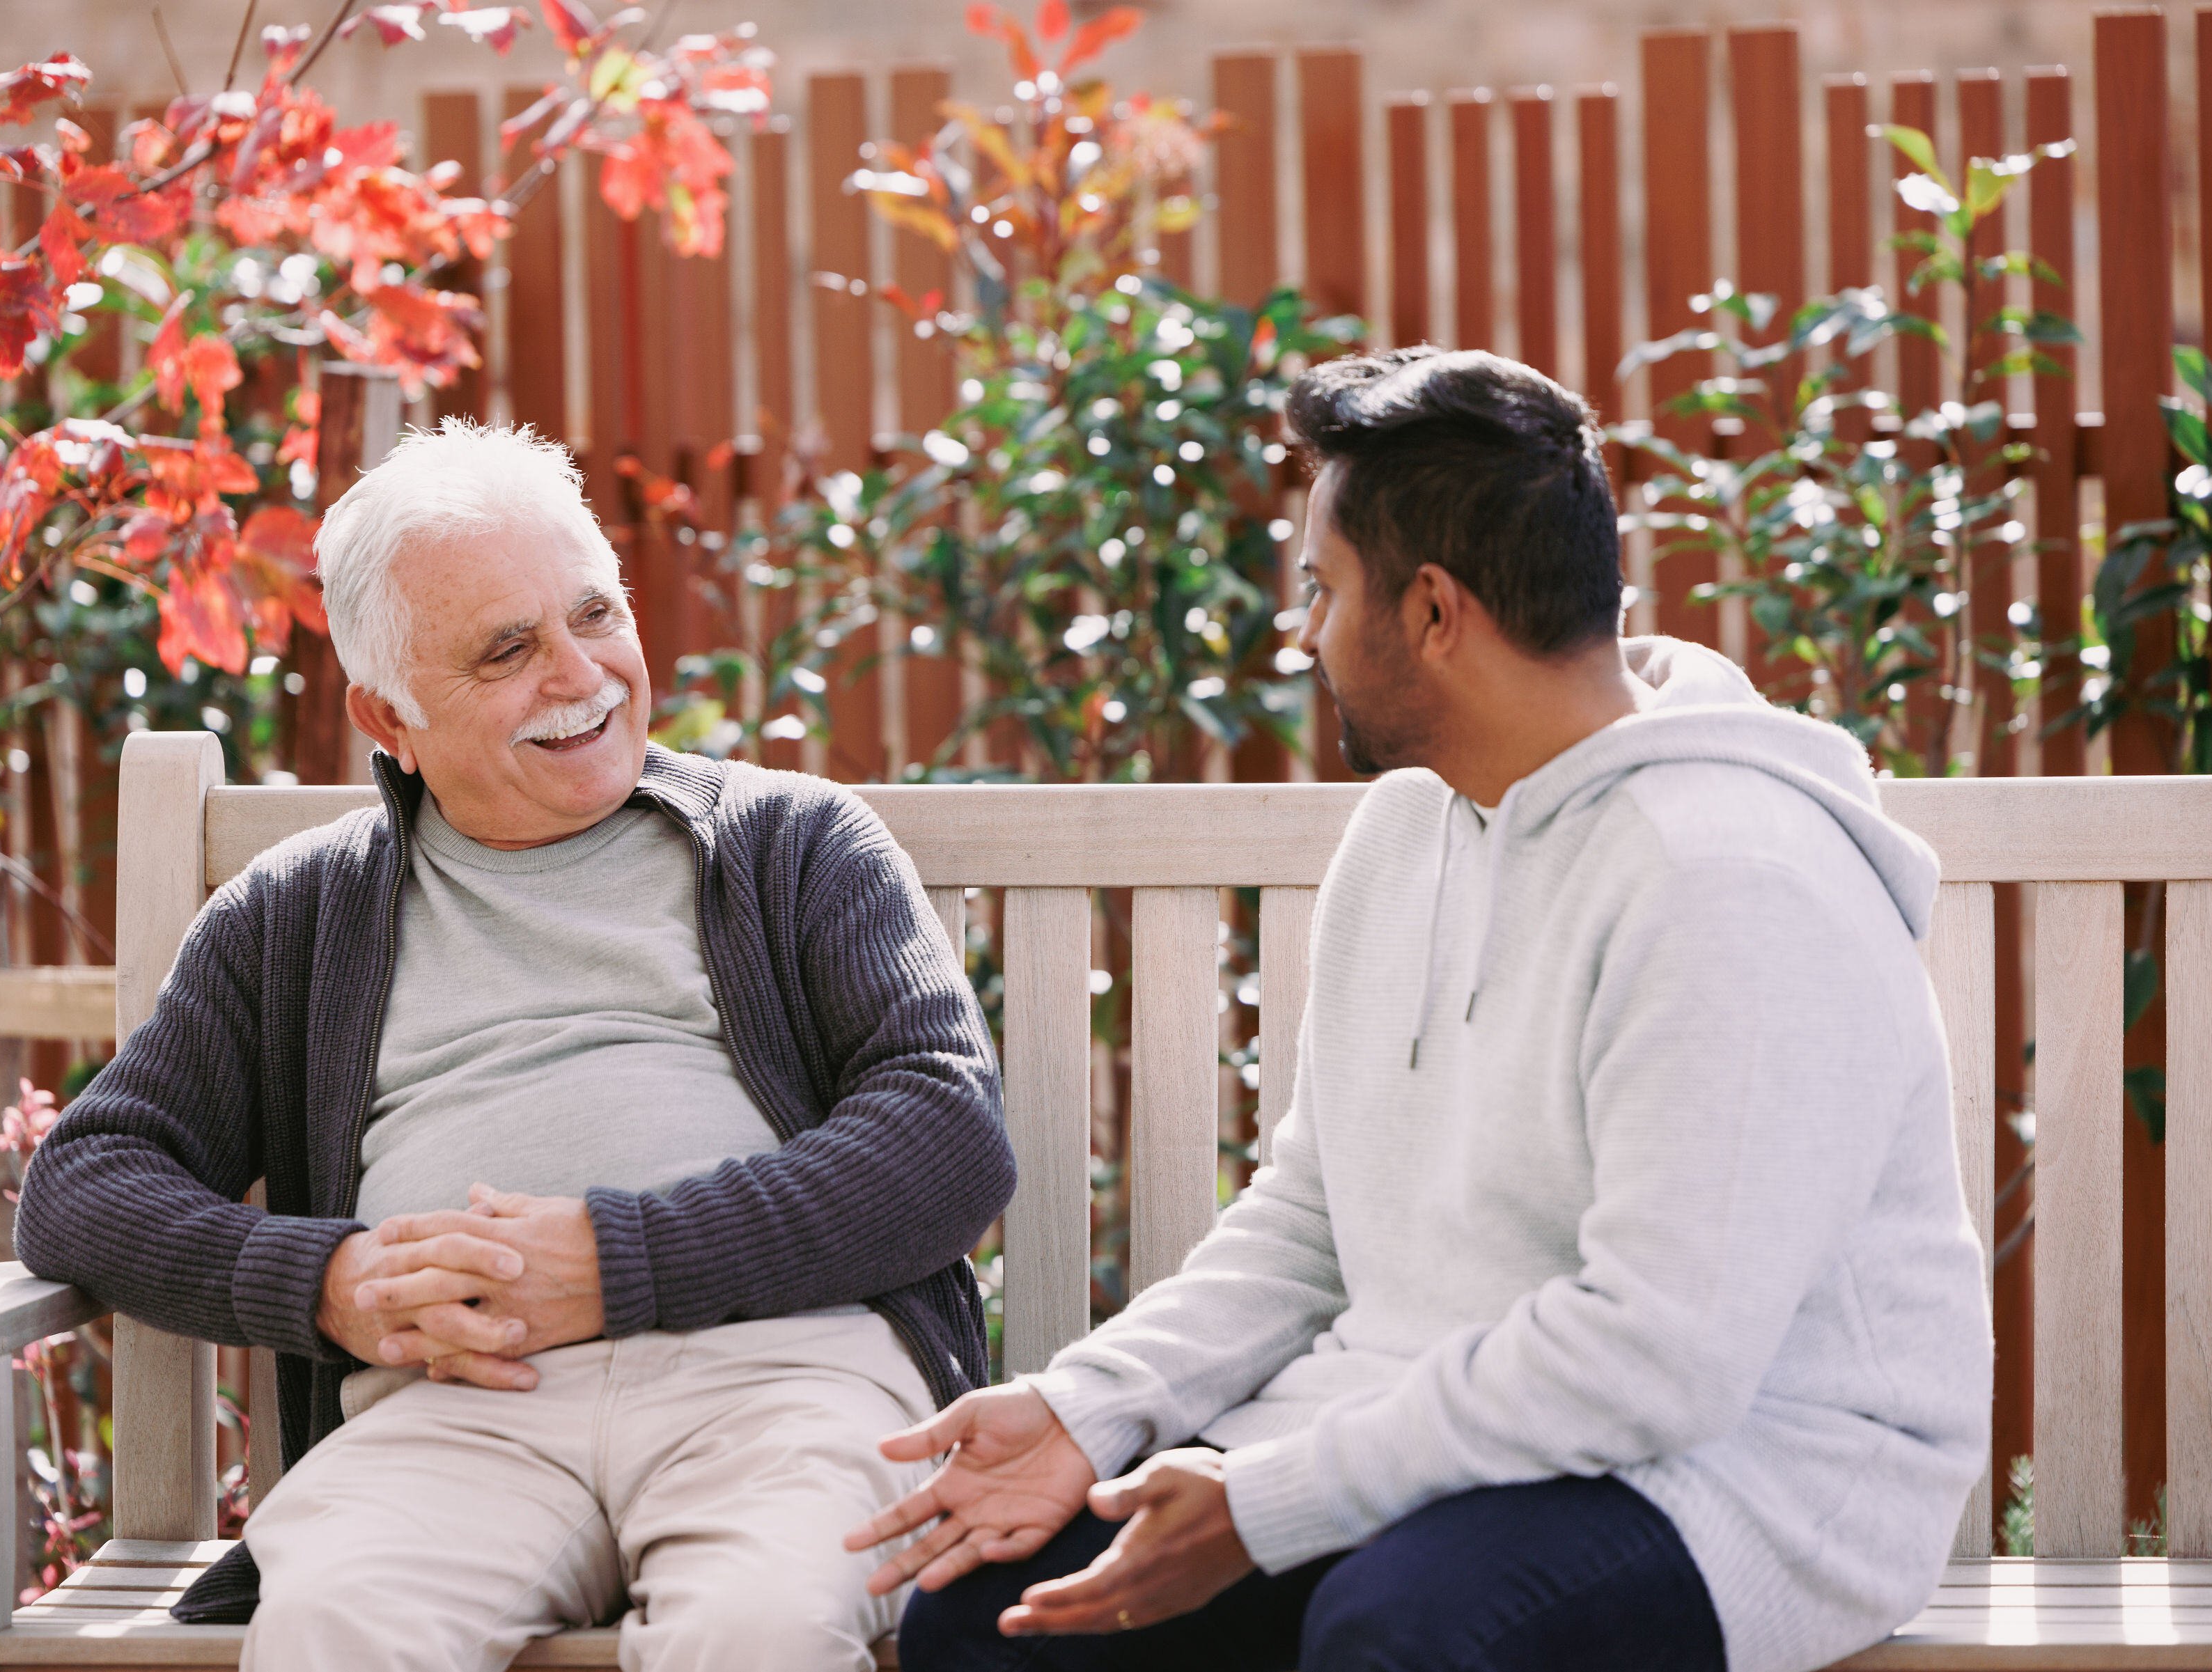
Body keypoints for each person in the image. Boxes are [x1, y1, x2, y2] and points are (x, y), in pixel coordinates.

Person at [852, 347, 1991, 1672]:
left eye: (1322, 590)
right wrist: (1088, 1407)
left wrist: (1271, 1498)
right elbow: (1313, 1220)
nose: (1304, 632)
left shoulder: (1727, 878)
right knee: (997, 1618)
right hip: (1422, 1428)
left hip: (1748, 1474)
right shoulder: (1408, 830)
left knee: (1410, 1636)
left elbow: (1658, 1359)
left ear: (1436, 612)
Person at [13, 419, 1015, 1672]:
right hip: (455, 1416)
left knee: (760, 1630)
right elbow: (88, 1180)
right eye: (508, 649)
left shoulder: (794, 843)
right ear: (390, 712)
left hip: (779, 1379)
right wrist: (333, 1285)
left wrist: (612, 1261)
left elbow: (944, 1134)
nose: (580, 673)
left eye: (595, 614)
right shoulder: (298, 913)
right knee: (339, 1630)